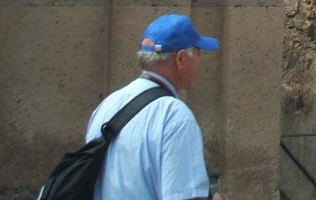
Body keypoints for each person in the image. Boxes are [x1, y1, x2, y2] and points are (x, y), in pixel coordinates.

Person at [86, 14, 224, 199]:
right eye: (198, 53)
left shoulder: (107, 105)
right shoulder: (175, 116)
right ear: (181, 58)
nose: (200, 61)